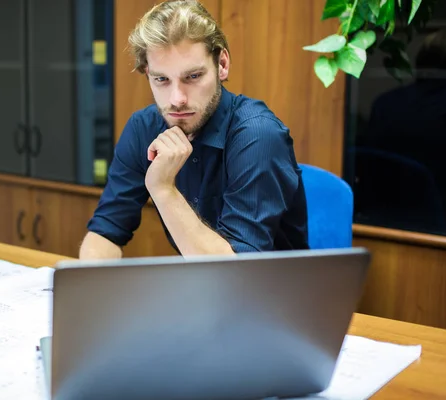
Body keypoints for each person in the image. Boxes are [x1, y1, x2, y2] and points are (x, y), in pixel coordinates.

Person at [79, 0, 308, 259]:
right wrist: (91, 291)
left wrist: (163, 189)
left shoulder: (258, 135)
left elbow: (235, 271)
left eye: (193, 77)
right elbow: (105, 232)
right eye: (161, 79)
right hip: (200, 289)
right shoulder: (143, 127)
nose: (177, 99)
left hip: (269, 294)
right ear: (147, 73)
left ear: (222, 64)